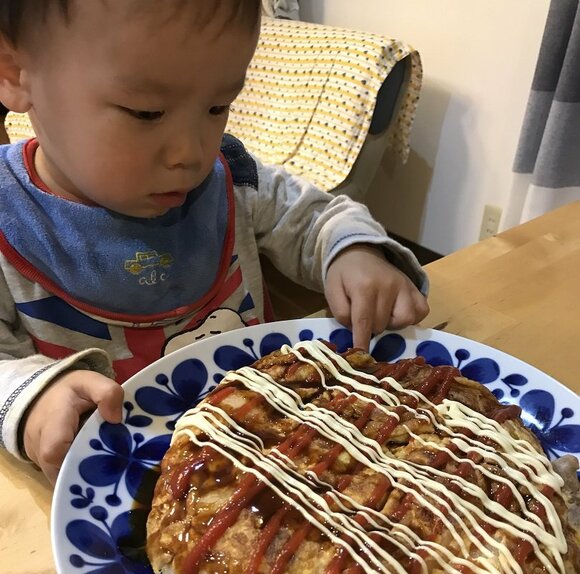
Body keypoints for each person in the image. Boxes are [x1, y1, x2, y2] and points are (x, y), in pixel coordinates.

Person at [0, 0, 429, 485]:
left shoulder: (232, 180)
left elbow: (315, 217)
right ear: (15, 73)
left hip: (274, 462)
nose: (192, 152)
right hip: (115, 486)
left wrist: (351, 250)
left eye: (217, 107)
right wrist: (33, 396)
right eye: (147, 112)